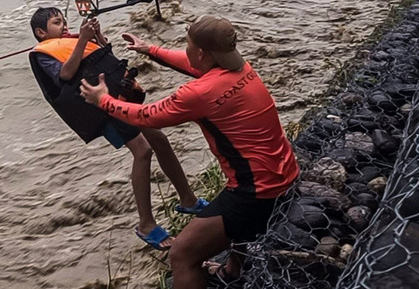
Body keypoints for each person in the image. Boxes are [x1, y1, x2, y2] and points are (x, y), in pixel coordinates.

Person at [79, 15, 299, 289]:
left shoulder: (199, 93)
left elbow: (146, 116)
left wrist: (103, 100)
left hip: (255, 194)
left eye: (187, 44)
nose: (186, 49)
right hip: (287, 177)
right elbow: (193, 65)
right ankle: (233, 271)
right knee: (232, 218)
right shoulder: (241, 69)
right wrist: (151, 50)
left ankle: (223, 269)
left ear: (200, 52)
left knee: (182, 254)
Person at [29, 7, 207, 251]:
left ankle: (188, 199)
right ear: (41, 32)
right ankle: (146, 224)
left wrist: (97, 38)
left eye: (64, 21)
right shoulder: (44, 53)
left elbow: (103, 56)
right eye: (57, 23)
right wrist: (81, 39)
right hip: (99, 108)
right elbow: (66, 73)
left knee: (160, 140)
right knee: (142, 152)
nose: (64, 26)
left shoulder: (70, 42)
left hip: (118, 99)